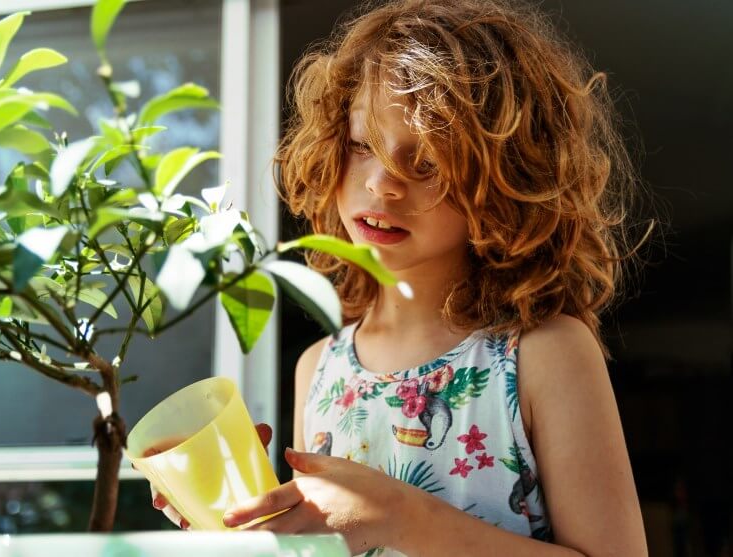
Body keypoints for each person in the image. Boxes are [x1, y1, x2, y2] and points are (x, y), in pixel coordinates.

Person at [152, 0, 651, 554]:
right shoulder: (318, 369)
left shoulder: (545, 354)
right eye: (362, 145)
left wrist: (399, 514)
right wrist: (242, 522)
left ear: (504, 179)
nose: (383, 185)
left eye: (428, 161)